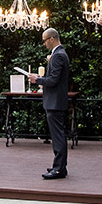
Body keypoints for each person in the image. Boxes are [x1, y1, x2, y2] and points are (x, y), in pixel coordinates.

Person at [29, 27, 70, 179]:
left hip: (55, 102)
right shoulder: (59, 54)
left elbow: (53, 80)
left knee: (58, 136)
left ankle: (58, 168)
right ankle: (60, 166)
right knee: (58, 135)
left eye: (45, 40)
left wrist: (37, 80)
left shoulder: (58, 55)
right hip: (56, 101)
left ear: (52, 39)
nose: (44, 44)